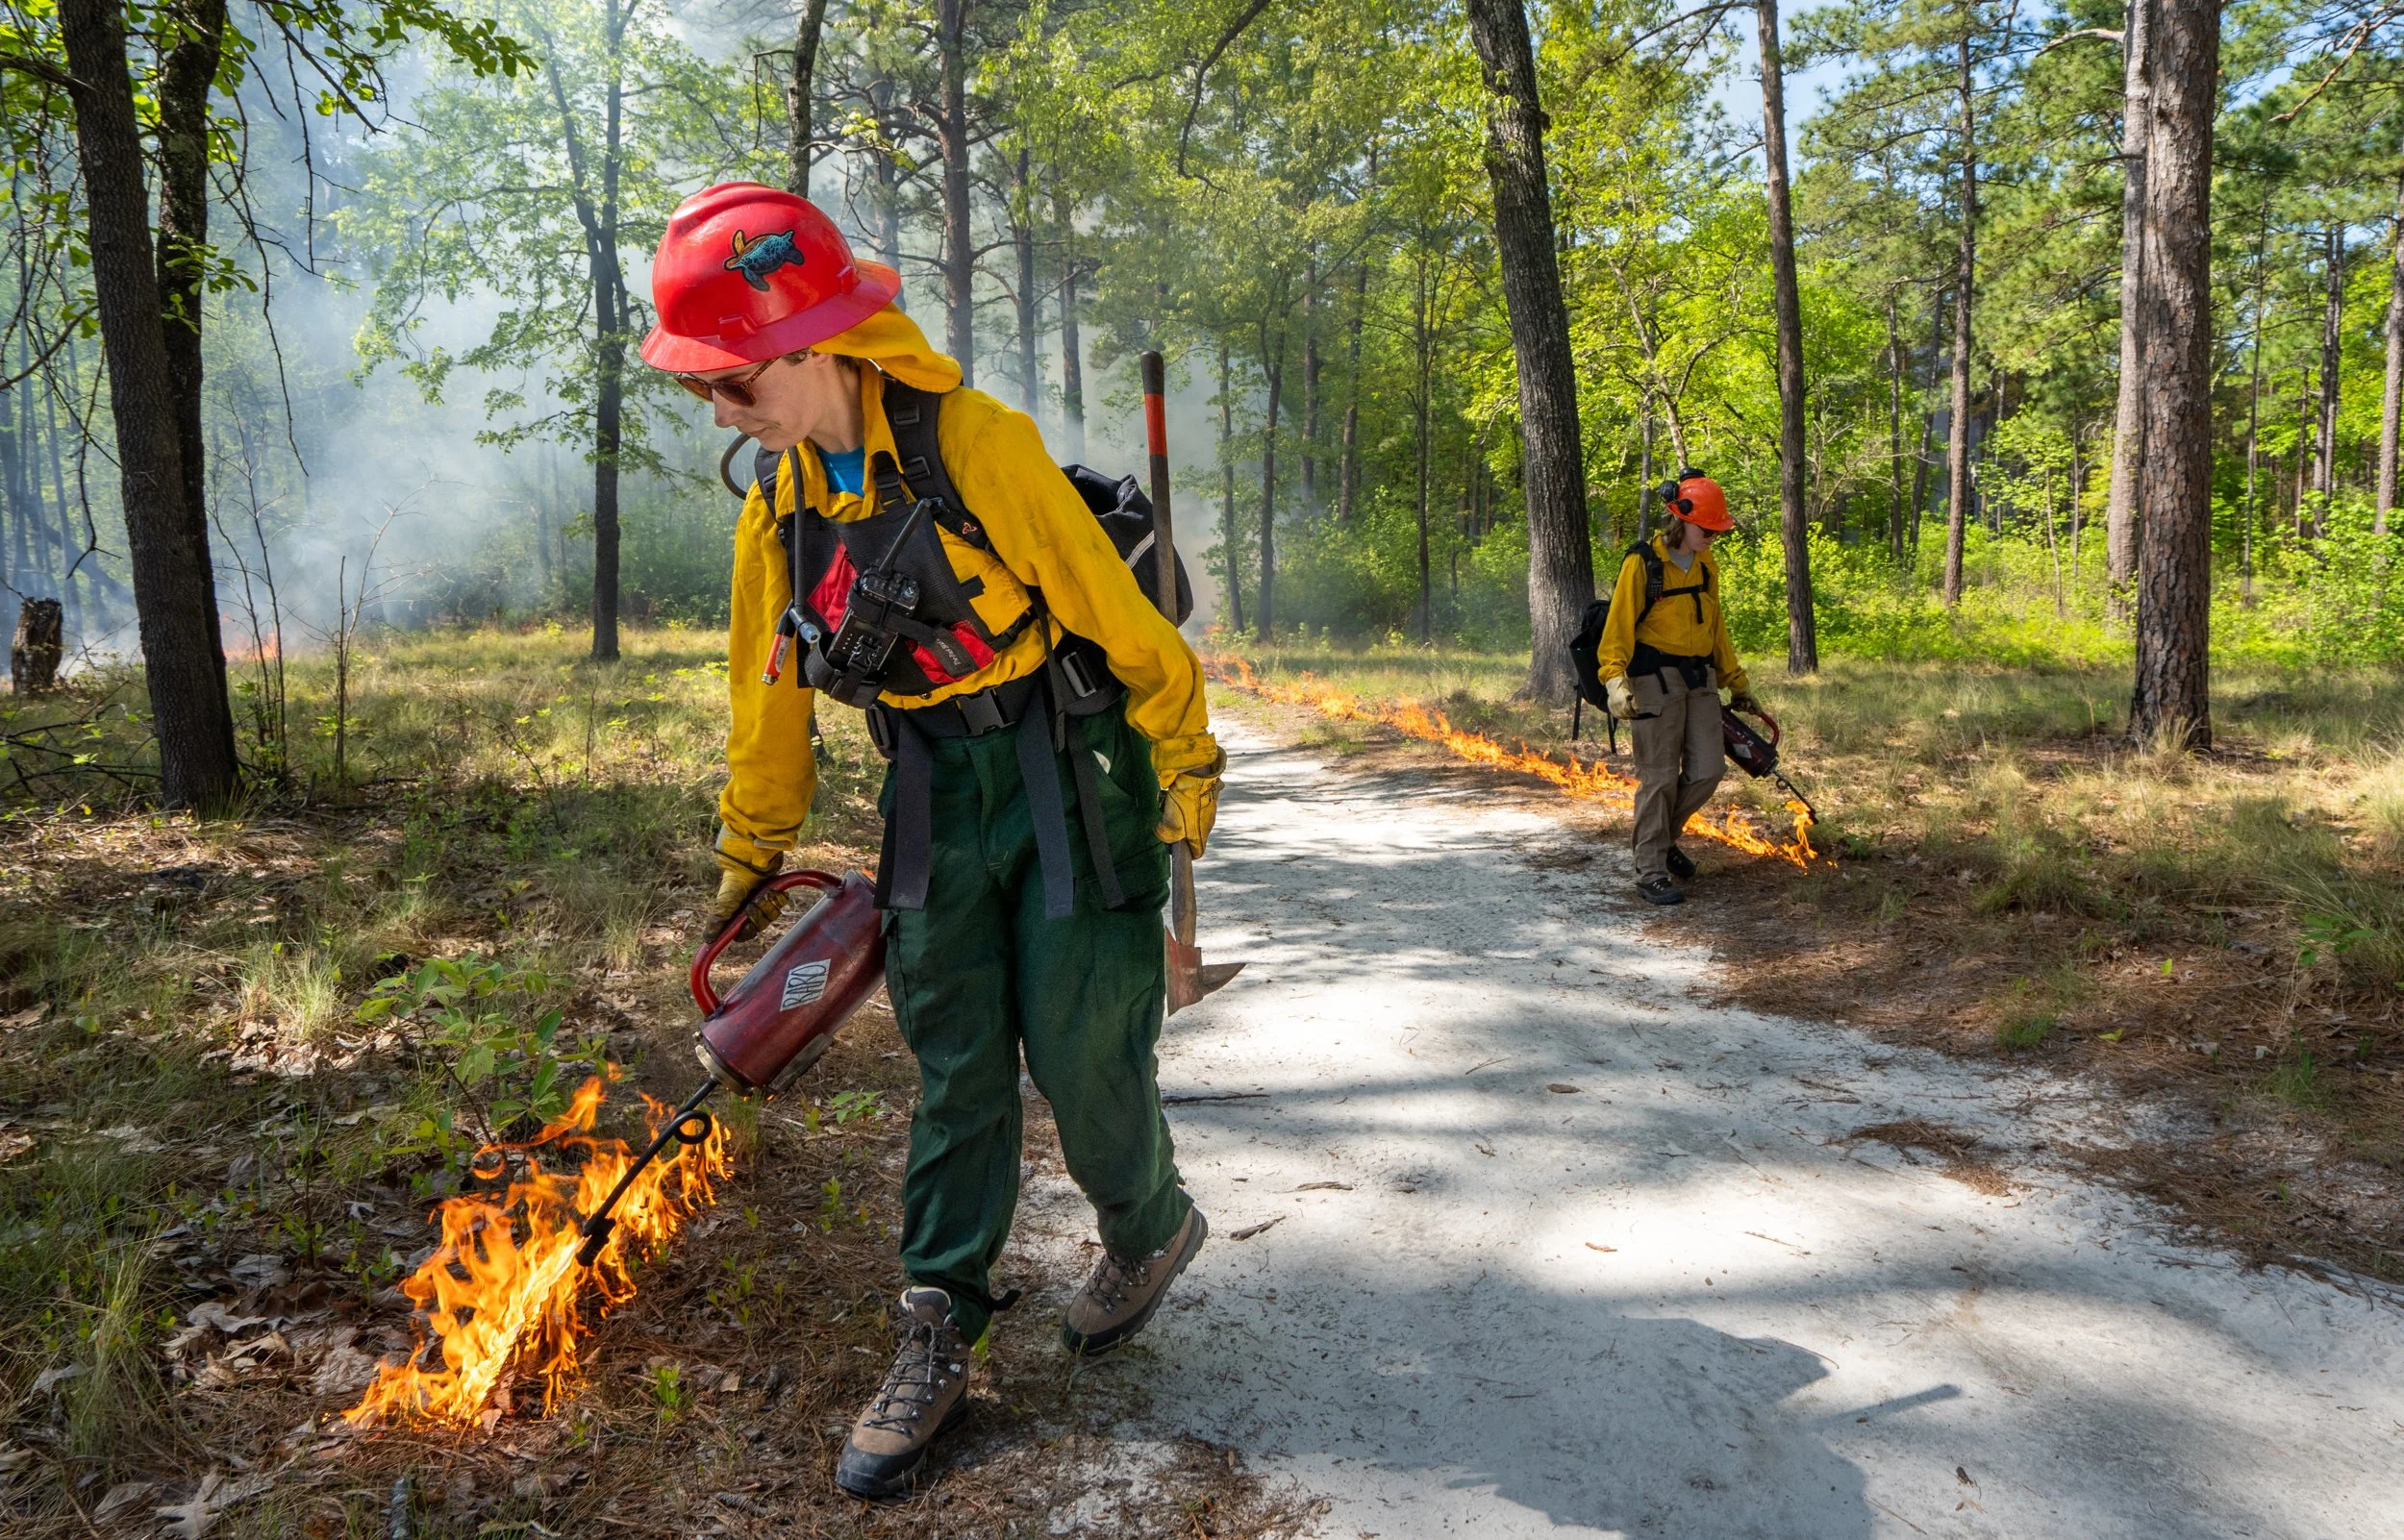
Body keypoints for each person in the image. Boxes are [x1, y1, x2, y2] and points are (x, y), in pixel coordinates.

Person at [638, 184, 1223, 1498]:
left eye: (731, 384)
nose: (718, 414)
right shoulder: (777, 510)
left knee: (1084, 1046)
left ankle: (1146, 1226)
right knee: (956, 1057)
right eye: (705, 393)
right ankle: (938, 1321)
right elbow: (767, 698)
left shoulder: (980, 445)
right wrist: (751, 846)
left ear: (816, 343)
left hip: (1067, 768)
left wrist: (1185, 767)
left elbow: (1130, 635)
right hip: (927, 792)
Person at [1593, 469, 1762, 907]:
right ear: (1679, 519)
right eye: (1706, 529)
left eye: (1717, 531)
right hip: (1653, 683)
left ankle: (1663, 841)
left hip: (1700, 680)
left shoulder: (1706, 564)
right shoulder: (1643, 563)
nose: (1712, 536)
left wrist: (1736, 682)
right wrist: (1614, 680)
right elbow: (1617, 630)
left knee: (1709, 770)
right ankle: (1650, 869)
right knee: (1660, 778)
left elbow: (1717, 627)